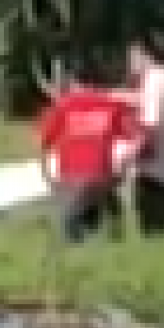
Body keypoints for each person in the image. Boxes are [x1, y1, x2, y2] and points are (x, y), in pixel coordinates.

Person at [36, 76, 143, 244]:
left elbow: (43, 146)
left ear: (73, 82)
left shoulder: (61, 106)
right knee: (112, 221)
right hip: (101, 180)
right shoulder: (112, 105)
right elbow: (137, 138)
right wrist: (122, 170)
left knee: (72, 233)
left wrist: (48, 178)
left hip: (70, 181)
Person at [125, 40, 164, 238]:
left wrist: (127, 158)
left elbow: (149, 126)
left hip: (154, 175)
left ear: (145, 55)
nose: (130, 64)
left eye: (133, 58)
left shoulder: (152, 82)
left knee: (151, 236)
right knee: (163, 235)